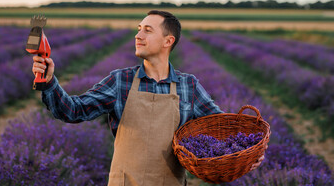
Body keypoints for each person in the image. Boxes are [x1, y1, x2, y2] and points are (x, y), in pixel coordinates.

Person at [32, 10, 264, 186]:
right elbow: (73, 111)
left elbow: (221, 128)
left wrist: (247, 152)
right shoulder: (120, 81)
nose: (138, 35)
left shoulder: (188, 86)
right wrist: (50, 82)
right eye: (139, 28)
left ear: (168, 41)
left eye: (147, 30)